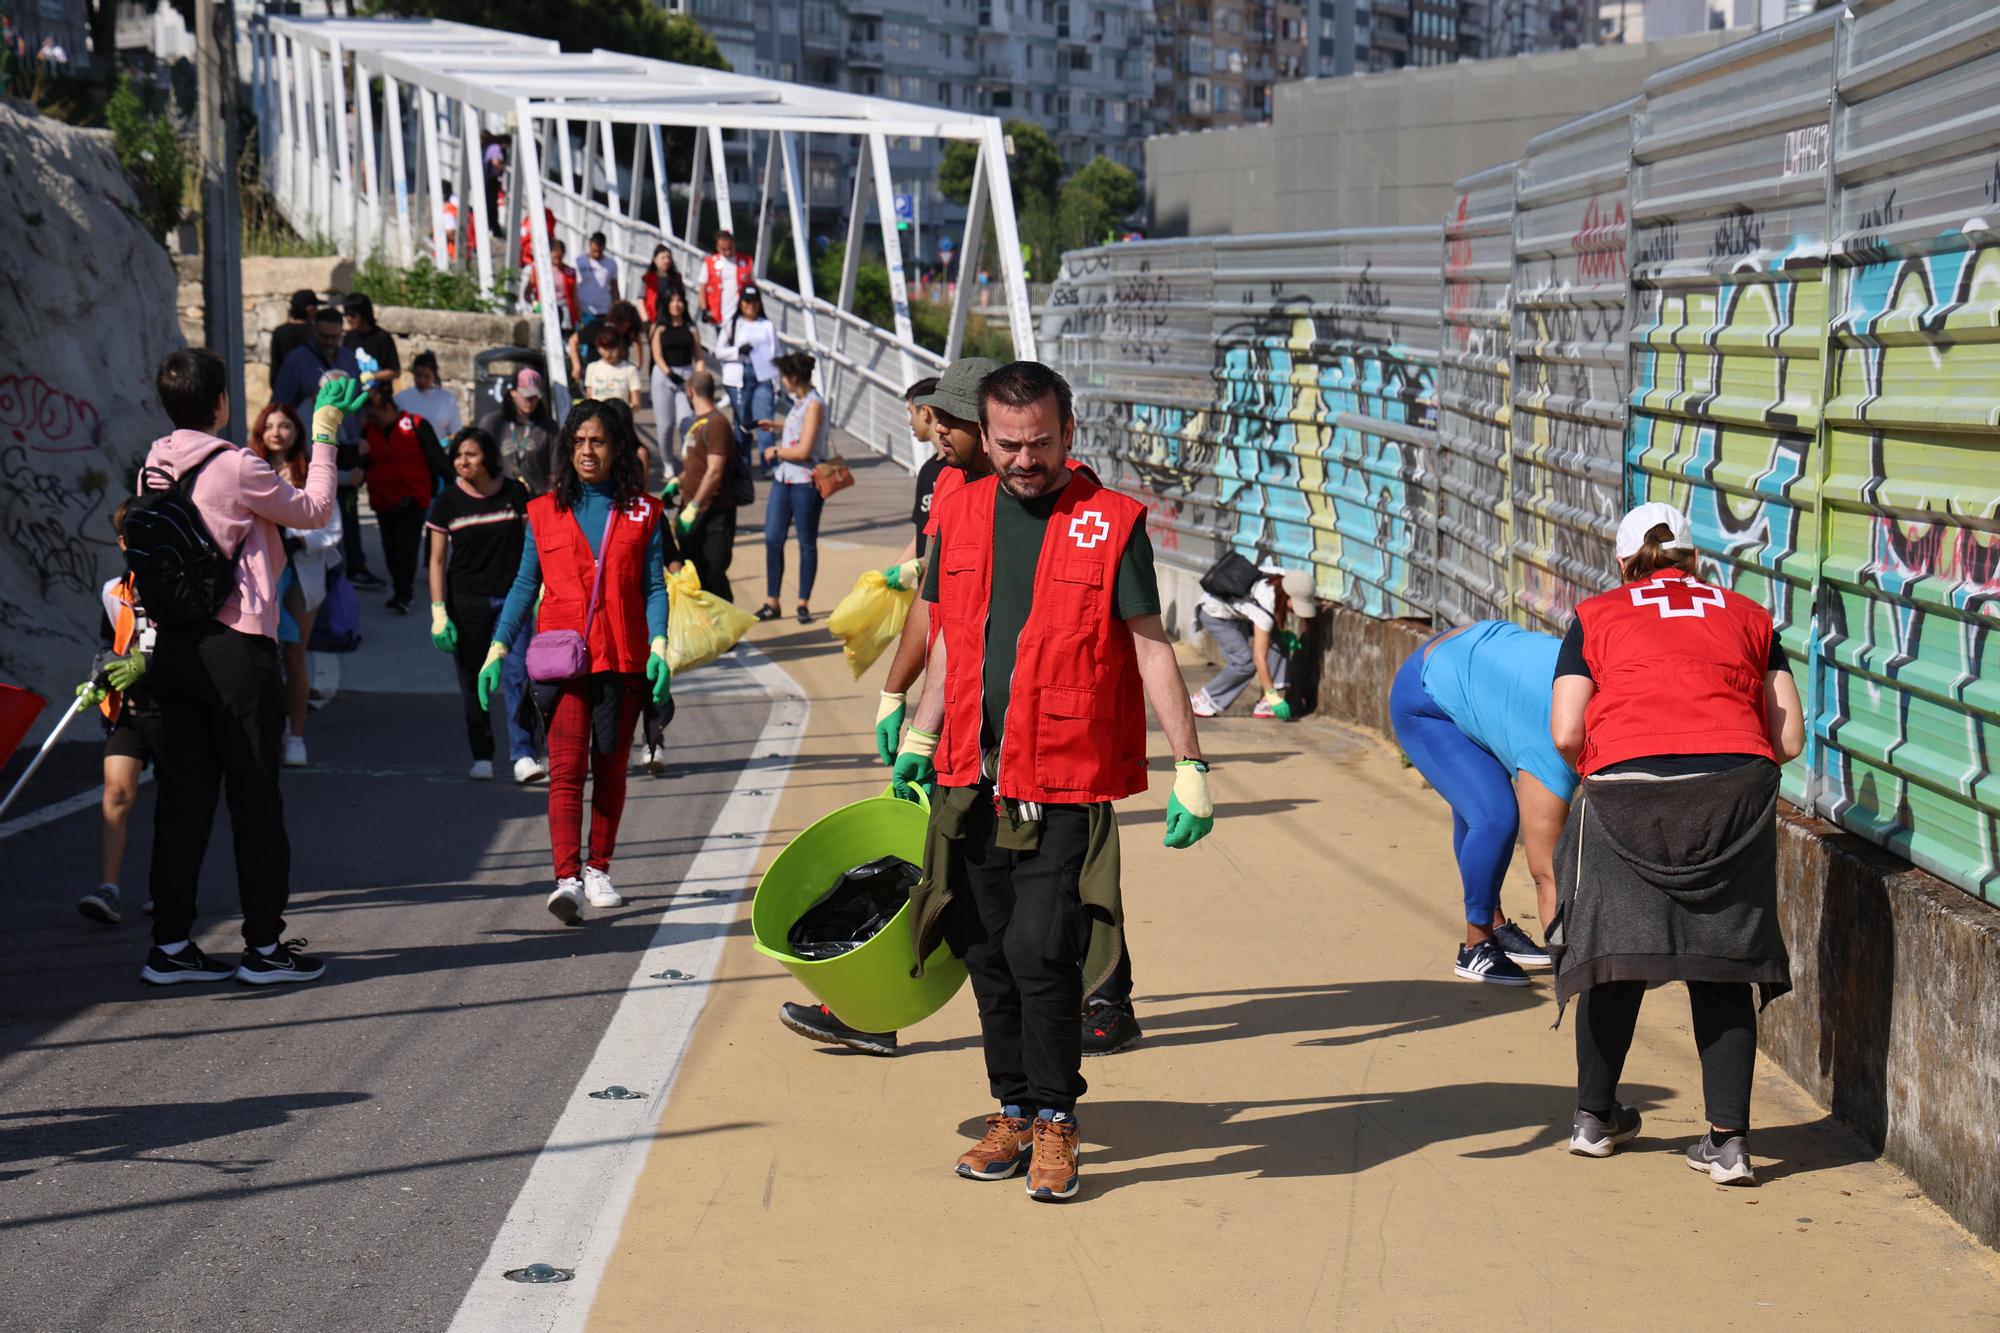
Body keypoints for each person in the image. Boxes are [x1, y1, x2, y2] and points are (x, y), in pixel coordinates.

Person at [893, 360, 1214, 1202]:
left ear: (1069, 434)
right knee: (986, 950)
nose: (1024, 459)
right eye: (1008, 444)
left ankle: (1058, 1121)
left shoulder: (1109, 524)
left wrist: (1190, 763)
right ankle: (1012, 1110)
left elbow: (1149, 646)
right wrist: (919, 731)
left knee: (1044, 947)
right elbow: (955, 638)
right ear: (985, 435)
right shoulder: (957, 511)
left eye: (1040, 443)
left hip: (1064, 777)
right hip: (971, 768)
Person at [1549, 502, 1804, 1184]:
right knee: (1720, 963)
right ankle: (1728, 1145)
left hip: (1624, 789)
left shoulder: (1597, 615)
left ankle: (1593, 1120)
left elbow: (1567, 732)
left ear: (1625, 564)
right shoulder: (1749, 615)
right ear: (1696, 560)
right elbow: (1789, 740)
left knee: (1614, 951)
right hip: (1733, 792)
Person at [136, 348, 360, 986]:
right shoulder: (235, 465)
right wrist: (322, 437)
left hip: (176, 645)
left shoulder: (153, 461)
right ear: (221, 404)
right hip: (238, 644)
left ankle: (171, 945)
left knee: (183, 798)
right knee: (255, 799)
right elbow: (314, 511)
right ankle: (264, 946)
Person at [480, 400, 672, 924]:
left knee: (610, 769)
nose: (588, 451)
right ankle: (566, 877)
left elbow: (655, 586)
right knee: (566, 771)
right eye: (580, 441)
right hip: (562, 662)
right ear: (568, 448)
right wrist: (498, 648)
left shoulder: (645, 511)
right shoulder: (542, 511)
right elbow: (525, 584)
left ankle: (599, 868)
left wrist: (659, 645)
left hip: (624, 658)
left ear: (617, 450)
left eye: (599, 441)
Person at [1388, 619, 1576, 987]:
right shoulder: (1550, 744)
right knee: (1494, 817)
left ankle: (1494, 924)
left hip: (1476, 665)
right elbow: (1547, 872)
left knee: (1481, 806)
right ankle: (1476, 944)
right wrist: (1579, 966)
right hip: (1427, 697)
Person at [427, 426, 540, 782]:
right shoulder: (447, 502)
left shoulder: (514, 493)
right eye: (458, 455)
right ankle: (482, 755)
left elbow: (532, 543)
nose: (463, 461)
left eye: (471, 454)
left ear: (487, 457)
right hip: (466, 603)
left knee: (518, 674)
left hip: (513, 600)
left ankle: (524, 754)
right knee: (474, 680)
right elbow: (436, 560)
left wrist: (541, 590)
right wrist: (438, 610)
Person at [75, 502, 163, 927]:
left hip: (178, 708)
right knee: (115, 794)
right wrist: (100, 675)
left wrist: (151, 663)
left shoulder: (181, 584)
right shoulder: (114, 590)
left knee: (178, 800)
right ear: (122, 541)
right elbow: (111, 642)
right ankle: (108, 889)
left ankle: (170, 887)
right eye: (133, 534)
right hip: (129, 709)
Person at [251, 401, 343, 768]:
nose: (277, 432)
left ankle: (297, 736)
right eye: (270, 425)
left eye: (285, 425)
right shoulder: (249, 469)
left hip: (300, 576)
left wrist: (298, 540)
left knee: (293, 653)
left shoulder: (310, 472)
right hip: (258, 575)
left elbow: (332, 529)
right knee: (257, 655)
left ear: (297, 432)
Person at [357, 383, 449, 614]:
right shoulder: (368, 431)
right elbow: (363, 464)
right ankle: (399, 589)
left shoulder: (416, 425)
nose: (373, 420)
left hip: (413, 499)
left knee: (407, 548)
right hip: (382, 499)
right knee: (390, 549)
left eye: (376, 415)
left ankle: (403, 594)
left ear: (389, 408)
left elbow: (437, 458)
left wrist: (454, 484)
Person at [753, 351, 825, 625]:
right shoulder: (801, 402)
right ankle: (773, 600)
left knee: (806, 543)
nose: (782, 381)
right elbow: (801, 428)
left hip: (805, 480)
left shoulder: (814, 404)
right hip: (784, 479)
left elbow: (805, 450)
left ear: (794, 377)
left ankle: (802, 602)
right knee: (773, 538)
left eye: (784, 376)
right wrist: (779, 426)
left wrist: (775, 450)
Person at [1190, 567, 1318, 720]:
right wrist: (1272, 695)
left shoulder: (1283, 579)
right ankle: (1202, 700)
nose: (1296, 610)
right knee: (1244, 663)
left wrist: (1281, 634)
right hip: (1215, 614)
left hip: (1239, 612)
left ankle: (1267, 703)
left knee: (1277, 640)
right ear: (1286, 596)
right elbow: (1259, 659)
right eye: (1295, 604)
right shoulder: (1264, 611)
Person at [670, 369, 740, 603]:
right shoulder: (698, 424)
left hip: (714, 513)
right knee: (695, 573)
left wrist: (695, 505)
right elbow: (696, 466)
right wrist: (677, 482)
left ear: (690, 392)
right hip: (692, 510)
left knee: (713, 573)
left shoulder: (716, 424)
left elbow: (715, 471)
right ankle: (707, 630)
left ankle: (728, 633)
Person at [479, 368, 557, 496]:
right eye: (526, 395)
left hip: (536, 498)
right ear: (513, 392)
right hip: (499, 498)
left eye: (534, 396)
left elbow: (556, 469)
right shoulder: (491, 423)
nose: (530, 401)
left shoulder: (549, 428)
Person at [649, 289, 701, 474]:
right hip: (664, 376)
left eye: (679, 300)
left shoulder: (691, 328)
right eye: (672, 301)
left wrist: (699, 377)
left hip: (686, 375)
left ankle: (688, 459)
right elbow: (657, 355)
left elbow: (699, 357)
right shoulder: (659, 327)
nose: (676, 304)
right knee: (665, 425)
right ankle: (668, 462)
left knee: (686, 422)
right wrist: (669, 373)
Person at [394, 349, 464, 439]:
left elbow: (455, 431)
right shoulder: (401, 398)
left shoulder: (447, 400)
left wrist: (442, 444)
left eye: (427, 376)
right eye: (418, 375)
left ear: (434, 376)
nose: (422, 380)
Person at [341, 293, 400, 391]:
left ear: (364, 315)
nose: (348, 319)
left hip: (376, 399)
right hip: (353, 396)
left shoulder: (382, 338)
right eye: (346, 314)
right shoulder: (349, 337)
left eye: (352, 315)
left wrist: (372, 376)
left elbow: (394, 372)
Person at [524, 236, 581, 336]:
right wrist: (536, 307)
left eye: (560, 258)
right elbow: (527, 294)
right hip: (542, 307)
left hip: (564, 311)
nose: (558, 261)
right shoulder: (536, 270)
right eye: (555, 258)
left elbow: (574, 296)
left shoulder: (569, 272)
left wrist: (578, 318)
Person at [700, 229, 754, 326]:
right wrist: (704, 309)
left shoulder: (746, 261)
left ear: (734, 244)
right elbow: (702, 288)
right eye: (724, 250)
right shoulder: (709, 263)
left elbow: (753, 286)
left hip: (741, 314)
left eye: (730, 248)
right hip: (717, 314)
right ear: (717, 248)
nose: (728, 252)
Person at [583, 325, 643, 411]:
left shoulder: (630, 369)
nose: (607, 353)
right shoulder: (592, 368)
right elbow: (589, 398)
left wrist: (624, 411)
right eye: (603, 348)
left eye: (612, 349)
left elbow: (636, 403)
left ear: (619, 347)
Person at [269, 289, 319, 382]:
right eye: (316, 308)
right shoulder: (316, 332)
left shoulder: (280, 332)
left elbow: (275, 366)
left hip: (285, 384)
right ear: (310, 310)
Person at [577, 231, 620, 320]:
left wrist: (617, 308)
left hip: (604, 311)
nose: (597, 254)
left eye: (600, 251)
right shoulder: (579, 261)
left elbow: (614, 288)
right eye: (594, 251)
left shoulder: (611, 264)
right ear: (590, 244)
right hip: (584, 310)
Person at [640, 243, 685, 326]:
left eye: (668, 258)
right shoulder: (647, 278)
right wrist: (645, 320)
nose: (666, 261)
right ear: (655, 259)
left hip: (671, 321)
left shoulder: (677, 278)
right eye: (663, 258)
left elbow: (682, 299)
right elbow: (640, 300)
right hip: (651, 319)